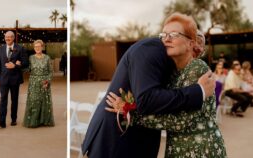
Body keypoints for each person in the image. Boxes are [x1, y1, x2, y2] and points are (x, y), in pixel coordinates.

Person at [81, 13, 216, 158]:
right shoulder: (150, 50)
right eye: (165, 34)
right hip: (116, 142)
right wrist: (198, 91)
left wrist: (129, 111)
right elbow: (147, 99)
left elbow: (180, 119)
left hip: (193, 148)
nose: (167, 38)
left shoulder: (194, 68)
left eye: (174, 34)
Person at [0, 31, 28, 128]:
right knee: (3, 100)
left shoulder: (20, 48)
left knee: (14, 100)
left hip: (15, 78)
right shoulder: (0, 49)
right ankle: (2, 121)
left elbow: (25, 62)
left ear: (13, 38)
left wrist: (16, 65)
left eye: (9, 37)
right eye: (6, 37)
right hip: (3, 79)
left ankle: (13, 119)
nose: (7, 38)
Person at [23, 39, 54, 128]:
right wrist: (19, 66)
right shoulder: (31, 58)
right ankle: (33, 121)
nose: (37, 48)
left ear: (42, 47)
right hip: (33, 82)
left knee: (44, 101)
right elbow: (28, 69)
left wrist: (47, 81)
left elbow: (51, 72)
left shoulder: (47, 58)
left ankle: (44, 121)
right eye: (35, 46)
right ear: (34, 48)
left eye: (39, 46)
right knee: (33, 101)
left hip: (44, 82)